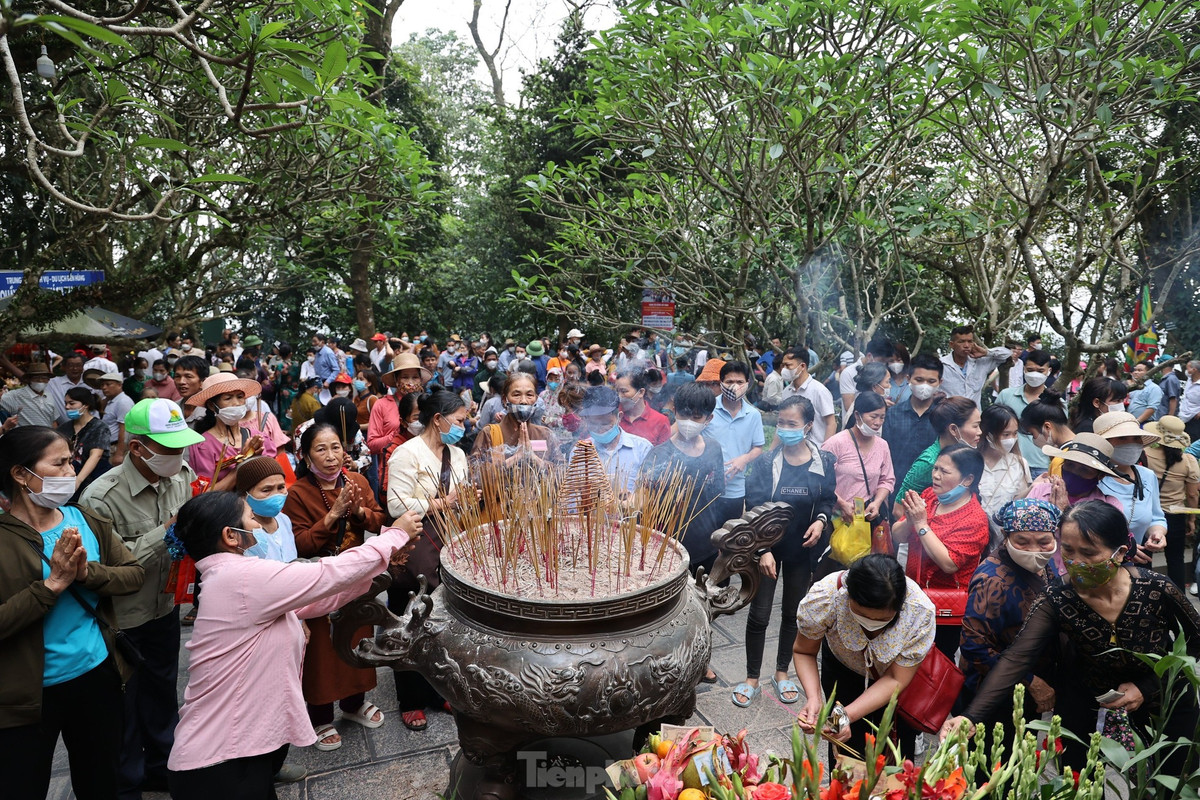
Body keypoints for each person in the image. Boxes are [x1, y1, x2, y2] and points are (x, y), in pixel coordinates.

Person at [164, 491, 420, 799]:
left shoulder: (231, 575)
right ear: (230, 535)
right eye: (250, 518)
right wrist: (393, 536)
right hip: (218, 761)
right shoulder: (242, 578)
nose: (257, 526)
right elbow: (327, 574)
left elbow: (318, 597)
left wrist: (382, 564)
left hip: (235, 749)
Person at [942, 501, 1200, 772]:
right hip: (1087, 705)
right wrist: (970, 717)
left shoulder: (1156, 589)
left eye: (1088, 552)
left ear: (1121, 552)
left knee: (1169, 780)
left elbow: (1194, 644)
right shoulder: (1057, 597)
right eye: (1067, 550)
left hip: (1165, 700)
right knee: (1079, 781)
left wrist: (1146, 687)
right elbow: (1016, 658)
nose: (1077, 562)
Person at [0, 426, 144, 800]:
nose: (71, 471)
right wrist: (51, 587)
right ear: (20, 474)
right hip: (26, 697)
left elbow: (132, 575)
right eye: (59, 463)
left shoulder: (85, 520)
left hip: (97, 673)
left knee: (101, 781)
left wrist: (85, 574)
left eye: (71, 460)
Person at [79, 398, 204, 798]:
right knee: (125, 708)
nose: (178, 455)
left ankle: (163, 768)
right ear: (138, 447)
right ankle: (128, 784)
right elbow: (108, 568)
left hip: (165, 607)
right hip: (123, 621)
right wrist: (168, 530)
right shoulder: (99, 497)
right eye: (168, 448)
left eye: (180, 445)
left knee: (163, 696)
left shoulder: (181, 474)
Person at [282, 423, 388, 751]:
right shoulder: (298, 493)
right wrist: (332, 516)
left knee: (357, 637)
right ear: (305, 455)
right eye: (321, 449)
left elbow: (378, 518)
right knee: (321, 652)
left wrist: (356, 511)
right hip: (319, 581)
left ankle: (354, 704)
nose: (331, 457)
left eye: (336, 448)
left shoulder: (355, 481)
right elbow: (299, 544)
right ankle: (320, 715)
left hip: (354, 577)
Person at [736, 396, 836, 708]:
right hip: (767, 550)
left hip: (801, 551)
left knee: (793, 613)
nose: (784, 429)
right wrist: (762, 548)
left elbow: (827, 499)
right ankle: (752, 677)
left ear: (808, 426)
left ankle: (782, 673)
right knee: (759, 614)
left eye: (792, 424)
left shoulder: (824, 461)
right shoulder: (767, 462)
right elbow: (753, 505)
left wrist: (820, 522)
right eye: (781, 423)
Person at [386, 387, 471, 731]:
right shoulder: (406, 454)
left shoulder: (458, 454)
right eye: (461, 419)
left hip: (448, 542)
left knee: (440, 622)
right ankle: (410, 699)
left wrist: (467, 499)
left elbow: (459, 498)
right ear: (438, 419)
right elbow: (396, 506)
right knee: (408, 619)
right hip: (416, 543)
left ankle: (438, 691)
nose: (465, 424)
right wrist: (444, 503)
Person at [793, 554, 935, 759]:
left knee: (895, 755)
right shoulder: (826, 597)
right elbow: (804, 651)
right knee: (844, 748)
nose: (871, 623)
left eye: (883, 619)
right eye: (862, 614)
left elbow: (896, 679)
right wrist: (814, 698)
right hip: (842, 675)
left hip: (896, 685)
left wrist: (846, 715)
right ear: (848, 596)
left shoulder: (918, 612)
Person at [958, 499, 1061, 732]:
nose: (1034, 550)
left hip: (1032, 683)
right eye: (1022, 542)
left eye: (1044, 541)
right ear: (1005, 536)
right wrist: (1030, 681)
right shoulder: (991, 580)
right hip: (996, 691)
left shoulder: (1044, 563)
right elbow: (975, 647)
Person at [892, 443, 991, 657]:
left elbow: (949, 563)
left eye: (944, 471)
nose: (935, 475)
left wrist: (921, 524)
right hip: (913, 595)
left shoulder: (975, 519)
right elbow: (898, 536)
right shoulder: (929, 496)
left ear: (968, 480)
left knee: (932, 667)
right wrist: (910, 520)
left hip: (943, 608)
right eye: (935, 468)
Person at [1093, 411, 1168, 563]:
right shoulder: (1091, 477)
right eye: (1122, 438)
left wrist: (1158, 533)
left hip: (1138, 564)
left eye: (1136, 438)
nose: (1131, 443)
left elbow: (1156, 517)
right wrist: (1123, 549)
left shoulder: (1147, 476)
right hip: (1099, 565)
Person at [821, 392, 894, 542]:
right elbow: (819, 481)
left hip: (866, 518)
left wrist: (877, 502)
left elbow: (887, 479)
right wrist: (841, 503)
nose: (878, 422)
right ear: (857, 415)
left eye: (882, 417)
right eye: (873, 416)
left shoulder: (882, 446)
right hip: (836, 517)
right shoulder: (836, 443)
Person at [187, 373, 273, 493]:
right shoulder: (203, 445)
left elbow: (273, 479)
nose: (237, 403)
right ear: (212, 406)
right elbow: (204, 494)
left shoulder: (258, 437)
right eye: (228, 398)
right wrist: (242, 465)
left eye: (240, 397)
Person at [1142, 416, 1200, 591]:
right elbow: (1192, 494)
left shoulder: (1144, 455)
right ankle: (1179, 599)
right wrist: (1191, 519)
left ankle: (1145, 594)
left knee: (1145, 557)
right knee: (1176, 559)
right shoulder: (1188, 461)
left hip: (1148, 514)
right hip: (1175, 516)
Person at [707, 361, 766, 522]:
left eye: (739, 382)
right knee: (705, 539)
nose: (734, 386)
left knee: (729, 537)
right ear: (721, 383)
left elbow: (758, 447)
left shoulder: (753, 415)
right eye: (729, 382)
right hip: (705, 488)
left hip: (736, 488)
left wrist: (744, 459)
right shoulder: (708, 408)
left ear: (747, 384)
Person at [894, 396, 980, 504]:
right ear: (953, 429)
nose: (980, 432)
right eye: (975, 426)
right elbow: (899, 509)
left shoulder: (969, 454)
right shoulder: (928, 463)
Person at [571, 386, 654, 495]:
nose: (600, 429)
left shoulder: (642, 449)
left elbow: (650, 493)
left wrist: (632, 501)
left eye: (605, 424)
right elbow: (573, 498)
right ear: (586, 420)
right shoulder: (579, 452)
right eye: (594, 424)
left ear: (619, 417)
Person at [472, 372, 559, 467]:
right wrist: (515, 457)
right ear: (505, 400)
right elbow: (475, 471)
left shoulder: (545, 434)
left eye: (529, 395)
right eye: (516, 395)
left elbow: (561, 472)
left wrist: (533, 457)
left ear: (536, 400)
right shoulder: (489, 434)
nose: (524, 401)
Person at [881, 353, 943, 485]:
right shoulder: (892, 415)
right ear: (908, 379)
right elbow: (883, 455)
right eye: (919, 380)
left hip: (933, 491)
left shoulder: (944, 417)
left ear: (940, 382)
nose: (924, 386)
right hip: (896, 488)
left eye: (931, 381)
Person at [993, 347, 1055, 476]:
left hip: (1040, 466)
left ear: (1048, 371)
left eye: (1040, 371)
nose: (1035, 374)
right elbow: (992, 426)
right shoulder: (1006, 396)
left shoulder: (1055, 403)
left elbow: (1057, 438)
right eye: (1030, 370)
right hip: (1007, 463)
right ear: (1024, 369)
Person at [236, 457, 297, 563]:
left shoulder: (284, 520)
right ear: (244, 495)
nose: (276, 495)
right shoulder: (242, 531)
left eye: (281, 487)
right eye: (266, 490)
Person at [976, 404, 1031, 516]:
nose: (1011, 439)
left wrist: (1034, 487)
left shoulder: (1019, 464)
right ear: (988, 434)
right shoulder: (970, 461)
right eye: (1005, 434)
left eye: (1015, 433)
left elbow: (1019, 503)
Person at [58, 387, 111, 500]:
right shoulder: (64, 428)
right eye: (66, 403)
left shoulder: (99, 427)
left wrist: (78, 481)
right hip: (69, 477)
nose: (67, 407)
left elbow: (96, 455)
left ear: (85, 405)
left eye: (72, 403)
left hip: (93, 478)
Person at [938, 326, 1011, 407]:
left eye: (970, 341)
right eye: (961, 341)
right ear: (952, 344)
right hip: (948, 416)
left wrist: (986, 352)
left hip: (974, 417)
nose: (966, 345)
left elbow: (1007, 354)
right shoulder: (940, 365)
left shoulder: (981, 362)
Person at [778, 347, 836, 446]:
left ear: (802, 366)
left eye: (788, 366)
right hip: (791, 451)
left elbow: (831, 424)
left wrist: (825, 452)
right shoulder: (786, 392)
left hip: (816, 450)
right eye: (783, 366)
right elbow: (781, 425)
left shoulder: (819, 391)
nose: (784, 370)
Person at [615, 365, 671, 445]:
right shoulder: (614, 417)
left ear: (641, 392)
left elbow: (663, 454)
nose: (619, 396)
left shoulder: (661, 421)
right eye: (617, 391)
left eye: (624, 391)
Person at [1, 362, 59, 428]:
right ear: (29, 379)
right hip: (25, 437)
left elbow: (53, 421)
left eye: (44, 378)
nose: (40, 380)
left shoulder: (49, 395)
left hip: (47, 436)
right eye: (36, 377)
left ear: (48, 380)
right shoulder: (15, 395)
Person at [47, 352, 98, 423]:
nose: (75, 368)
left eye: (78, 365)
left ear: (83, 367)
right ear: (64, 367)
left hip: (91, 426)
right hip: (64, 429)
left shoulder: (90, 383)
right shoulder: (53, 383)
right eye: (70, 365)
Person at [99, 372, 134, 466]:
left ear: (119, 385)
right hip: (108, 447)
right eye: (102, 385)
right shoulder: (110, 401)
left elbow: (124, 429)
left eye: (108, 384)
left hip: (116, 448)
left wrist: (119, 454)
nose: (104, 387)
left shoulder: (123, 402)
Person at [1178, 360, 1200, 442]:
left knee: (1191, 440)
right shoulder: (1189, 379)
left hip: (1194, 417)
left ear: (1194, 370)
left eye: (1188, 368)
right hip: (1182, 415)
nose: (1186, 371)